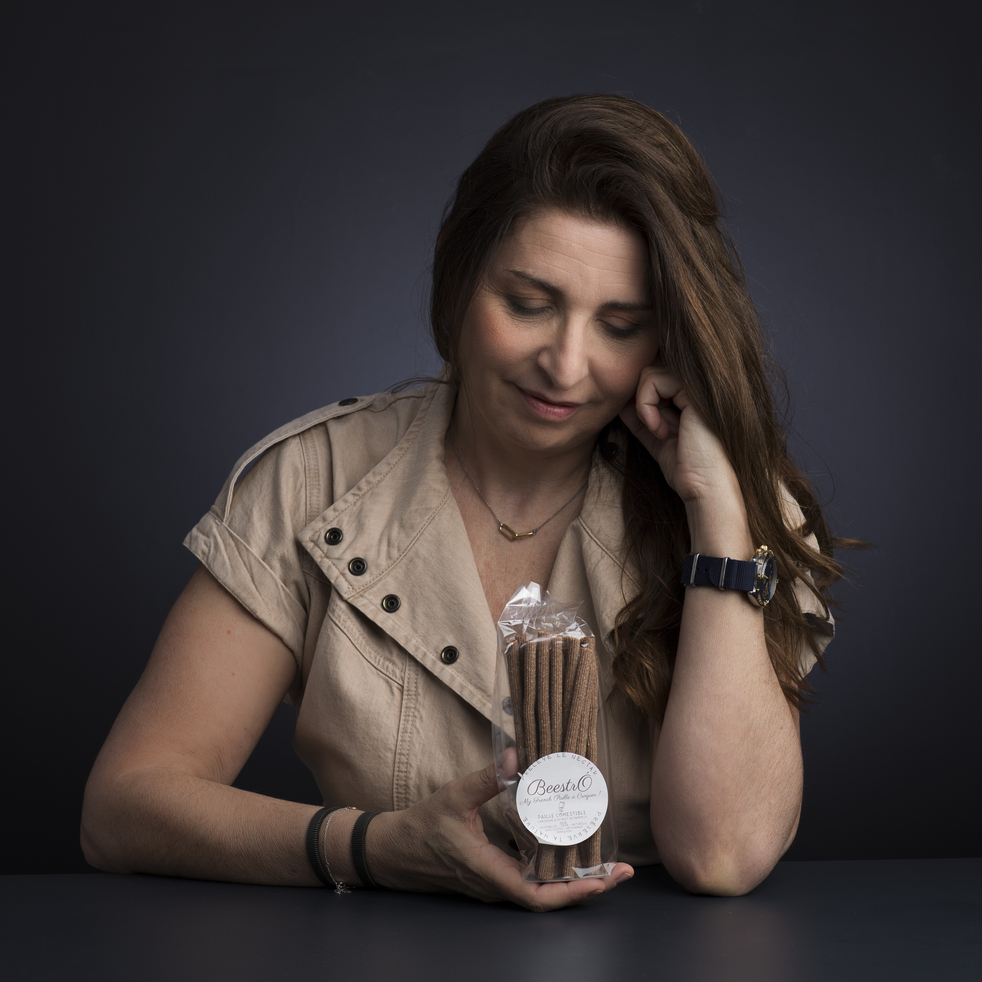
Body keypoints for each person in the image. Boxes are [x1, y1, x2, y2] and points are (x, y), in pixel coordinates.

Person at [81, 94, 843, 911]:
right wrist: (374, 848)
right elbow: (123, 808)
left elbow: (722, 856)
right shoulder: (312, 480)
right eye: (528, 303)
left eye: (621, 325)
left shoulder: (728, 502)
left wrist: (716, 511)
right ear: (460, 274)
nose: (567, 364)